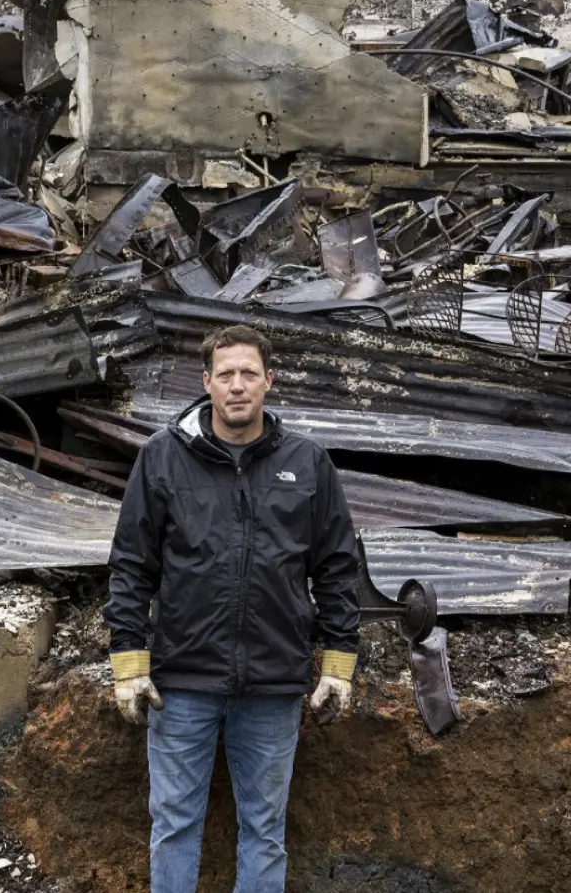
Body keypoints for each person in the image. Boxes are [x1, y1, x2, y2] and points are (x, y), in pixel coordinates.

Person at [105, 323, 361, 893]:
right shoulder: (162, 459)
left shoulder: (308, 463)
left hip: (272, 682)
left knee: (265, 828)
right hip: (183, 681)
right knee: (173, 825)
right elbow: (131, 565)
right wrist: (129, 660)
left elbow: (338, 566)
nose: (237, 386)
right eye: (226, 375)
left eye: (249, 373)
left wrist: (339, 662)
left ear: (269, 382)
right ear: (206, 383)